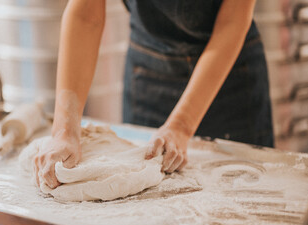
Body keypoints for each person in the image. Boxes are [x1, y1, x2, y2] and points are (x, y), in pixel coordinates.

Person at [33, 0, 274, 189]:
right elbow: (86, 14)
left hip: (229, 81)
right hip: (148, 73)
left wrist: (181, 126)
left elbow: (232, 21)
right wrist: (64, 130)